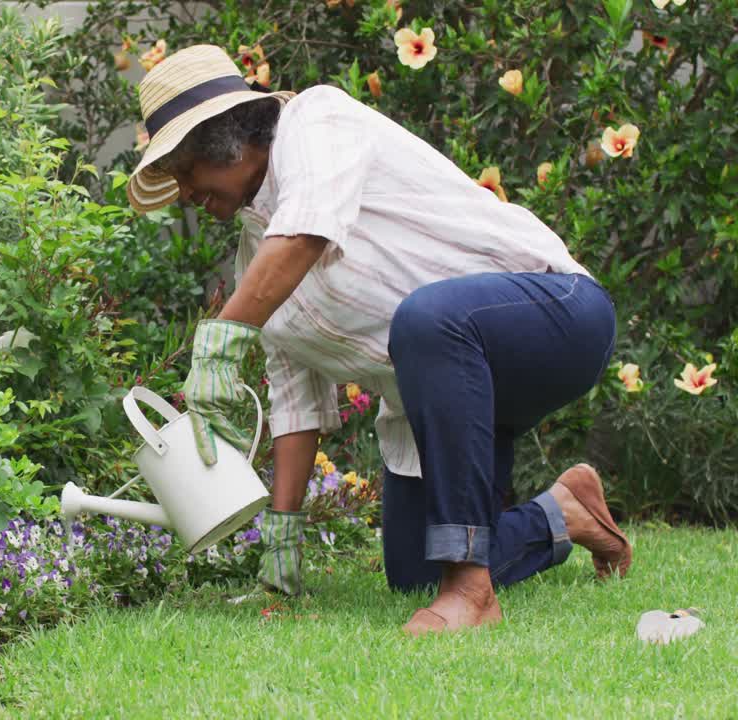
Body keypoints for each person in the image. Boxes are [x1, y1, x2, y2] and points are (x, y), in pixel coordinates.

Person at [125, 44, 633, 635]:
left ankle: (471, 594)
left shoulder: (316, 122)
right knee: (415, 572)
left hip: (556, 316)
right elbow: (296, 399)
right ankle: (565, 512)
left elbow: (308, 226)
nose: (185, 194)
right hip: (451, 403)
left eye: (186, 171)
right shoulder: (256, 258)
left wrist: (221, 336)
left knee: (425, 318)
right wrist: (282, 534)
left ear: (226, 136)